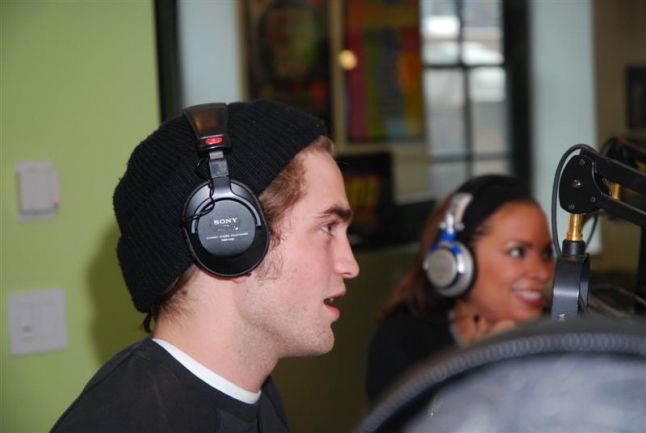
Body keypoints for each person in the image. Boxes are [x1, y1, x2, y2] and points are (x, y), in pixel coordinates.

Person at [51, 100, 360, 432]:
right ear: (231, 237)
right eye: (328, 227)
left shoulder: (257, 398)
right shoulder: (127, 423)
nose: (350, 266)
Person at [365, 174, 554, 405]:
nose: (542, 272)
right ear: (455, 262)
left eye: (546, 253)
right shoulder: (403, 344)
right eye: (517, 252)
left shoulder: (565, 337)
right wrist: (482, 370)